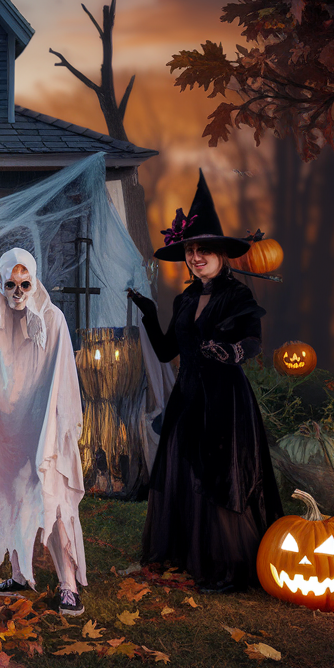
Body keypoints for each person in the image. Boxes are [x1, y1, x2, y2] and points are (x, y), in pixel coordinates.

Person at [127, 172, 282, 592]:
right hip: (189, 397)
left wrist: (230, 352)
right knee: (185, 473)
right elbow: (165, 351)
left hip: (225, 401)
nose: (196, 258)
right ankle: (189, 553)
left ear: (220, 255)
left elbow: (252, 341)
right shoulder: (185, 299)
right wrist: (146, 311)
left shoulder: (238, 297)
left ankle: (227, 564)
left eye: (204, 251)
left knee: (220, 477)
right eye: (191, 251)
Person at [0, 248, 88, 616]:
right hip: (3, 428)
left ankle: (68, 584)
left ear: (35, 281)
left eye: (25, 284)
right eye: (10, 284)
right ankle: (19, 574)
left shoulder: (52, 320)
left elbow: (60, 374)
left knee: (52, 497)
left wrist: (54, 424)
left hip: (41, 422)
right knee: (7, 491)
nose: (18, 292)